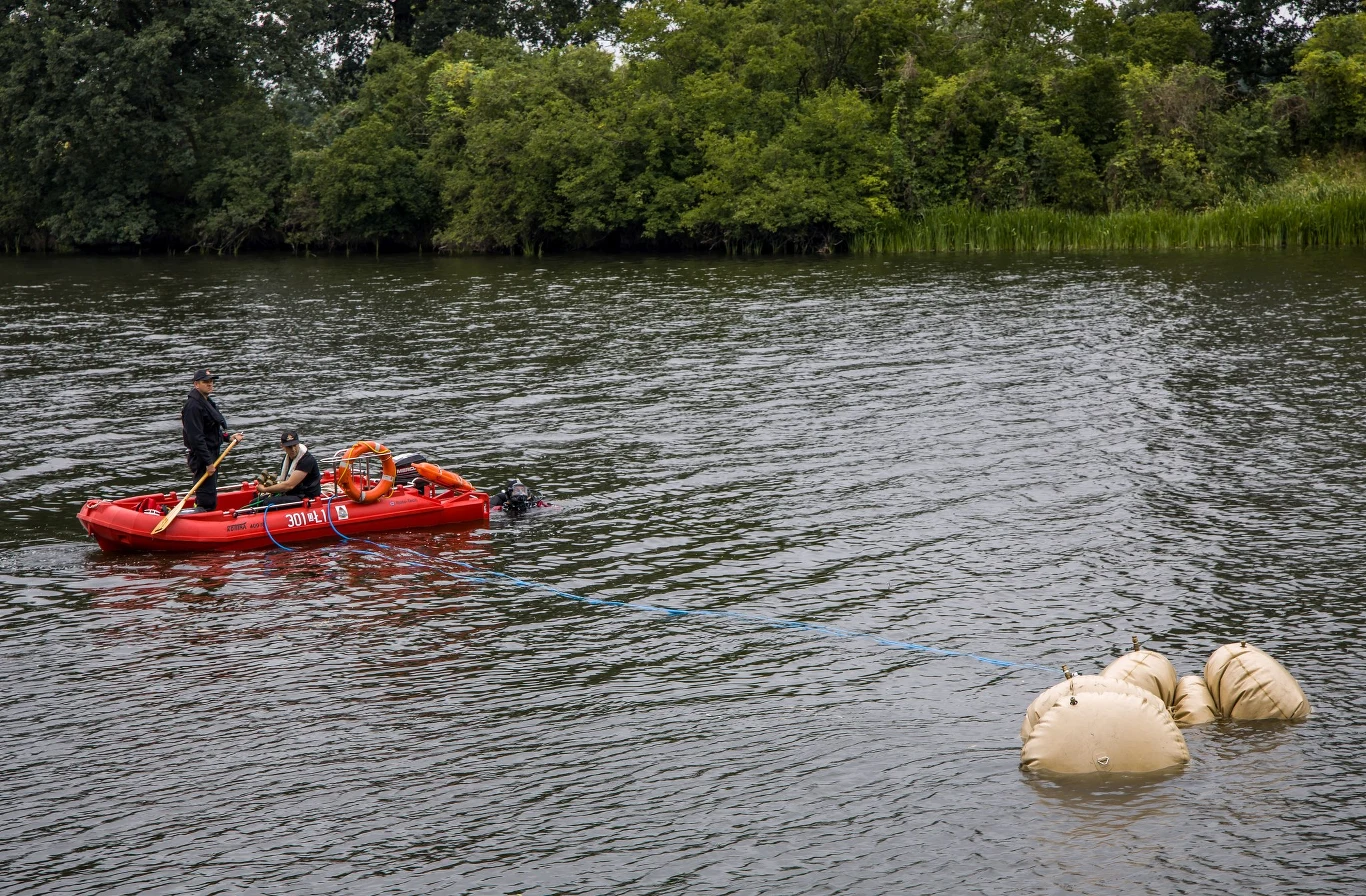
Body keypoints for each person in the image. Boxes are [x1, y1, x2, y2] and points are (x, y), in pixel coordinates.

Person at [181, 368, 242, 513]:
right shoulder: (193, 407)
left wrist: (227, 438)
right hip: (203, 457)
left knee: (210, 494)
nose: (210, 384)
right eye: (205, 382)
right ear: (196, 384)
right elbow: (196, 438)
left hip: (212, 454)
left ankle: (200, 511)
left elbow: (211, 431)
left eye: (211, 381)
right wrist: (208, 463)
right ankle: (197, 519)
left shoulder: (206, 402)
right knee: (207, 499)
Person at [254, 430, 321, 504]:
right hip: (292, 494)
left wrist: (265, 489)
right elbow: (284, 482)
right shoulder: (287, 459)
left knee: (267, 502)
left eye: (295, 445)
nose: (293, 449)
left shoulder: (307, 460)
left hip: (305, 496)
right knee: (255, 502)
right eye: (289, 447)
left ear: (298, 443)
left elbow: (289, 485)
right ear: (282, 446)